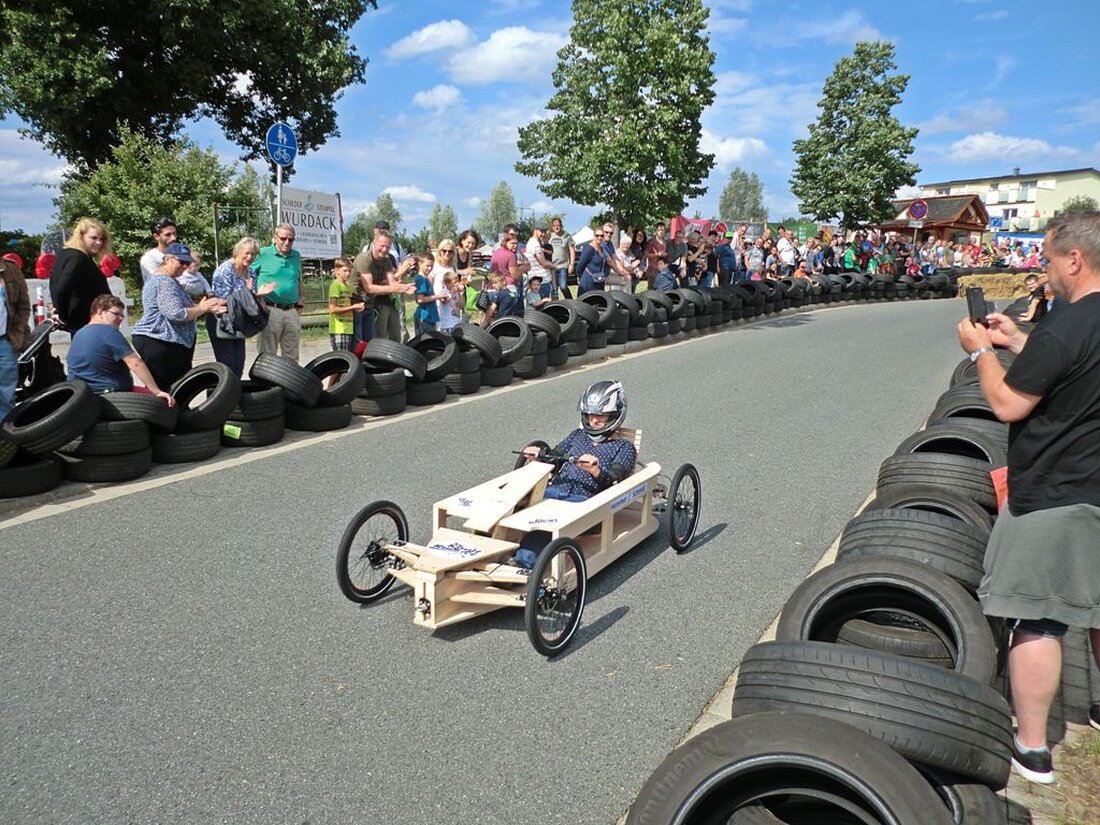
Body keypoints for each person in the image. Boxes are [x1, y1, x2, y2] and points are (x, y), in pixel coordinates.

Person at [956, 211, 1100, 785]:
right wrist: (1018, 341)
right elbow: (1073, 368)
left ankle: (1034, 748)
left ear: (1074, 259)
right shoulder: (1067, 328)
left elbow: (1008, 404)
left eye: (1047, 258)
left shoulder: (1068, 325)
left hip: (1057, 490)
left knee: (1039, 618)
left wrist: (980, 353)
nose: (1043, 268)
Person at [512, 380, 637, 568]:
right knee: (510, 505)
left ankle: (525, 563)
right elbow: (554, 457)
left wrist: (595, 470)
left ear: (615, 416)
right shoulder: (577, 435)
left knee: (542, 530)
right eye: (590, 415)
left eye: (601, 416)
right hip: (553, 491)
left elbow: (615, 479)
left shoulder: (624, 447)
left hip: (585, 502)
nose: (594, 421)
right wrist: (538, 456)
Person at [132, 242, 224, 389]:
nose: (184, 267)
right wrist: (202, 308)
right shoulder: (164, 281)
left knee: (176, 390)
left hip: (167, 342)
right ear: (167, 259)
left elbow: (181, 308)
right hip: (160, 340)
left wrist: (208, 307)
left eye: (187, 263)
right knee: (168, 391)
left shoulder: (168, 280)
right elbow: (177, 313)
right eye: (181, 262)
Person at [66, 295, 174, 405]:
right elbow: (135, 363)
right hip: (110, 394)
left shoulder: (79, 333)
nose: (121, 318)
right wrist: (156, 391)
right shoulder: (109, 333)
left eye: (122, 315)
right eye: (116, 314)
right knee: (166, 403)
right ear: (100, 312)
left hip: (82, 394)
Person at [209, 237, 275, 377]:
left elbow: (249, 300)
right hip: (222, 320)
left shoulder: (250, 272)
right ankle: (221, 390)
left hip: (239, 320)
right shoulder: (225, 270)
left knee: (239, 364)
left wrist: (259, 295)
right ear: (238, 252)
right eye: (247, 253)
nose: (250, 257)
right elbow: (222, 301)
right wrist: (247, 293)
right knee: (227, 366)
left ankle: (235, 390)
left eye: (253, 254)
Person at [354, 229, 417, 342]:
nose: (384, 250)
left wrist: (404, 288)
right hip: (354, 305)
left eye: (387, 247)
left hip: (368, 305)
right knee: (358, 343)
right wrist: (396, 287)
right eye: (382, 246)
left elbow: (391, 282)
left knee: (372, 342)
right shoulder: (364, 259)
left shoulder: (386, 259)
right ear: (374, 242)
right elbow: (369, 288)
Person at [50, 217, 110, 334]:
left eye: (101, 239)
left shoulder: (66, 254)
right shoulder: (78, 258)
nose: (99, 242)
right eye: (93, 238)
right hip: (85, 321)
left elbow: (55, 284)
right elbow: (62, 289)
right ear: (81, 236)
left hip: (83, 321)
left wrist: (60, 311)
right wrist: (63, 316)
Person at [254, 223, 304, 361]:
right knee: (267, 354)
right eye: (283, 238)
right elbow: (247, 275)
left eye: (291, 239)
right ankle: (266, 376)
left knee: (292, 355)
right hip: (270, 309)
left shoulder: (296, 256)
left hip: (292, 310)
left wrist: (301, 299)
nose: (287, 242)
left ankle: (289, 375)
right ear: (275, 237)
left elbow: (298, 279)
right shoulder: (263, 254)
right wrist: (257, 298)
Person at [0, 253, 30, 421]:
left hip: (5, 341)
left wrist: (17, 332)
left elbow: (23, 305)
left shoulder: (10, 268)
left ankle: (5, 433)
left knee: (6, 395)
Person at [327, 257, 364, 353]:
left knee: (348, 355)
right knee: (341, 357)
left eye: (349, 271)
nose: (347, 274)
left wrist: (356, 307)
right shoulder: (335, 286)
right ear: (336, 270)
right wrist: (352, 307)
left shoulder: (347, 287)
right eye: (345, 271)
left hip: (348, 328)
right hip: (339, 329)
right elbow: (332, 309)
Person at [413, 251, 446, 336]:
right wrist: (437, 297)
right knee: (426, 340)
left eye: (431, 266)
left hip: (430, 316)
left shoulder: (426, 278)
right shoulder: (420, 279)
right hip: (425, 316)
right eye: (427, 265)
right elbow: (420, 299)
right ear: (420, 264)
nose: (430, 268)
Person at [139, 216, 178, 283]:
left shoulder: (181, 254)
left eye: (174, 234)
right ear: (156, 236)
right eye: (168, 235)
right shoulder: (150, 259)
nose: (173, 238)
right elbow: (163, 284)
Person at [547, 218, 575, 299]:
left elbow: (572, 250)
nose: (556, 227)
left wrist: (572, 264)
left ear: (561, 226)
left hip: (563, 266)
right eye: (554, 226)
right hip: (552, 266)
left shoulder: (567, 236)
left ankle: (570, 302)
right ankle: (555, 304)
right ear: (552, 227)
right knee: (554, 289)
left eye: (558, 225)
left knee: (563, 286)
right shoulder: (549, 236)